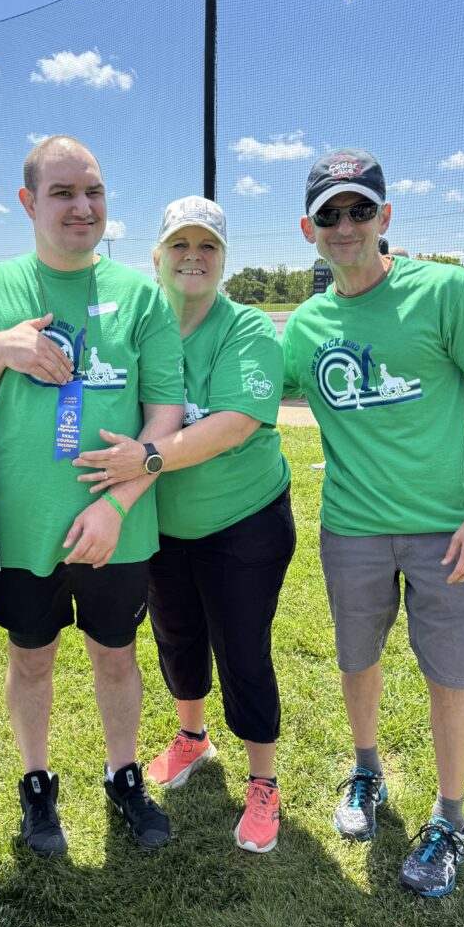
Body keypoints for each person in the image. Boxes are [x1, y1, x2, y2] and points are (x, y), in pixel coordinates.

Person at [282, 148, 464, 896]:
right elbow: (243, 397)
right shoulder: (305, 325)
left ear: (386, 217)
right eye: (330, 214)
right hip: (351, 527)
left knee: (450, 676)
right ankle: (366, 772)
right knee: (357, 659)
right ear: (308, 229)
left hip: (450, 528)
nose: (345, 225)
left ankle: (450, 818)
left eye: (359, 210)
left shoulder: (444, 291)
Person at [0, 136, 184, 855]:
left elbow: (165, 413)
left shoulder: (142, 295)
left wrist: (116, 504)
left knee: (116, 654)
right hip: (22, 528)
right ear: (28, 203)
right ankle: (38, 783)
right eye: (63, 193)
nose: (82, 207)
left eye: (94, 192)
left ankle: (122, 774)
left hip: (121, 527)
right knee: (31, 657)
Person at [74, 197, 295, 853]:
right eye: (179, 245)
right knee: (176, 636)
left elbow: (232, 425)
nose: (192, 257)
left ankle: (263, 781)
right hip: (164, 525)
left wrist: (144, 456)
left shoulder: (247, 328)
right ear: (157, 257)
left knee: (242, 650)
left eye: (207, 246)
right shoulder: (140, 327)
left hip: (243, 522)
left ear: (224, 259)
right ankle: (193, 737)